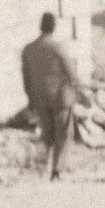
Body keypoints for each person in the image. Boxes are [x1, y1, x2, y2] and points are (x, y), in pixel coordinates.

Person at [21, 12, 87, 181]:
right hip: (61, 98)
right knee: (63, 135)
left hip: (40, 99)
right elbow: (71, 74)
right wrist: (82, 94)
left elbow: (26, 78)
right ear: (53, 27)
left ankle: (41, 169)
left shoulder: (28, 50)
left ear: (40, 26)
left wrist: (30, 99)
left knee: (46, 135)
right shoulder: (58, 48)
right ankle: (56, 171)